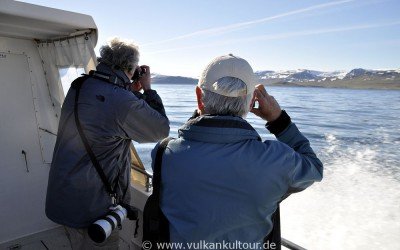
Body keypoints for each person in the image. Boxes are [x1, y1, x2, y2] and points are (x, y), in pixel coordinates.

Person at [152, 54, 323, 248]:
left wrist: (203, 111)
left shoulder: (164, 155)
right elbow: (315, 168)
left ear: (199, 98)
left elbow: (187, 140)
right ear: (251, 105)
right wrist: (279, 121)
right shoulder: (277, 160)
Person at [46, 37, 170, 249]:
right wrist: (147, 90)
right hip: (94, 208)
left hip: (63, 195)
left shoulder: (79, 85)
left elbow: (102, 112)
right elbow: (160, 129)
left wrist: (128, 90)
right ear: (129, 68)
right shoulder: (121, 101)